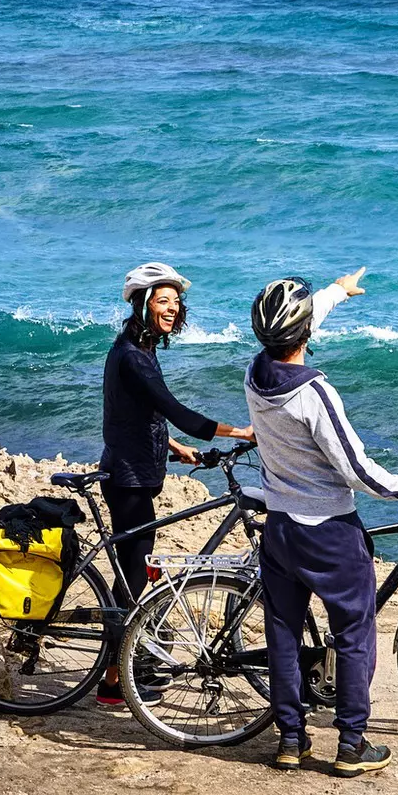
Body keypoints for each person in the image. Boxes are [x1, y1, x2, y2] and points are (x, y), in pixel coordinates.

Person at [243, 268, 398, 775]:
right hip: (327, 531)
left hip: (280, 526)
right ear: (304, 334)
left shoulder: (255, 374)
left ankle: (290, 739)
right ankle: (351, 742)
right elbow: (356, 469)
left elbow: (295, 330)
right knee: (353, 631)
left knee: (283, 631)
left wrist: (335, 293)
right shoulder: (315, 392)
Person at [100, 262, 254, 704]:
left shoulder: (138, 348)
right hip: (129, 480)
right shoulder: (133, 355)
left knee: (132, 576)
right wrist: (239, 431)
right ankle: (112, 681)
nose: (172, 308)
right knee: (132, 578)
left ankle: (119, 669)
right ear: (144, 304)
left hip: (136, 470)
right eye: (162, 300)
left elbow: (133, 414)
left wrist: (174, 448)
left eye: (175, 301)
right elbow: (172, 407)